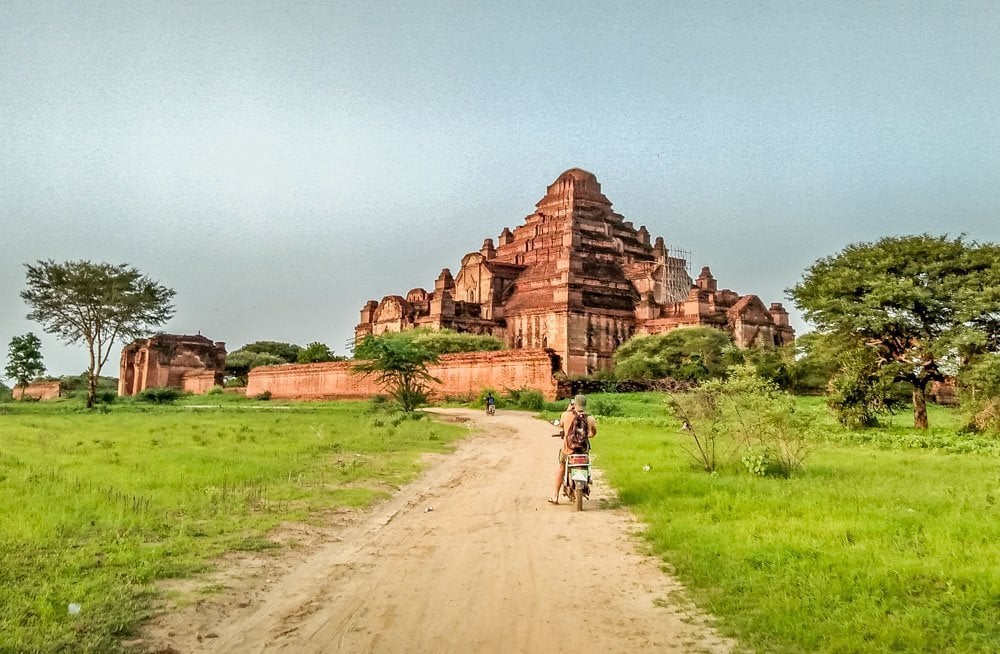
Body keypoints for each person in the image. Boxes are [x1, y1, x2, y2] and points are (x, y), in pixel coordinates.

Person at [548, 394, 597, 504]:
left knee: (561, 467)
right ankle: (587, 480)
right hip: (583, 452)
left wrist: (567, 410)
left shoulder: (566, 415)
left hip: (568, 451)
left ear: (574, 404)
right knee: (586, 465)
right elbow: (591, 434)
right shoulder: (590, 419)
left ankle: (555, 496)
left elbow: (560, 425)